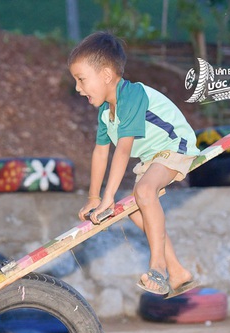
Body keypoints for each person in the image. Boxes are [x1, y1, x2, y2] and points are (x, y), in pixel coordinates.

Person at [68, 32, 199, 298]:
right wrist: (94, 197)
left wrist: (108, 198)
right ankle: (177, 272)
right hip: (153, 156)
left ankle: (158, 267)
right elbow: (101, 153)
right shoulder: (106, 112)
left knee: (143, 193)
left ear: (106, 75)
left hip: (175, 144)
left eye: (81, 79)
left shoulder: (132, 96)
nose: (78, 88)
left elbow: (123, 151)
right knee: (135, 208)